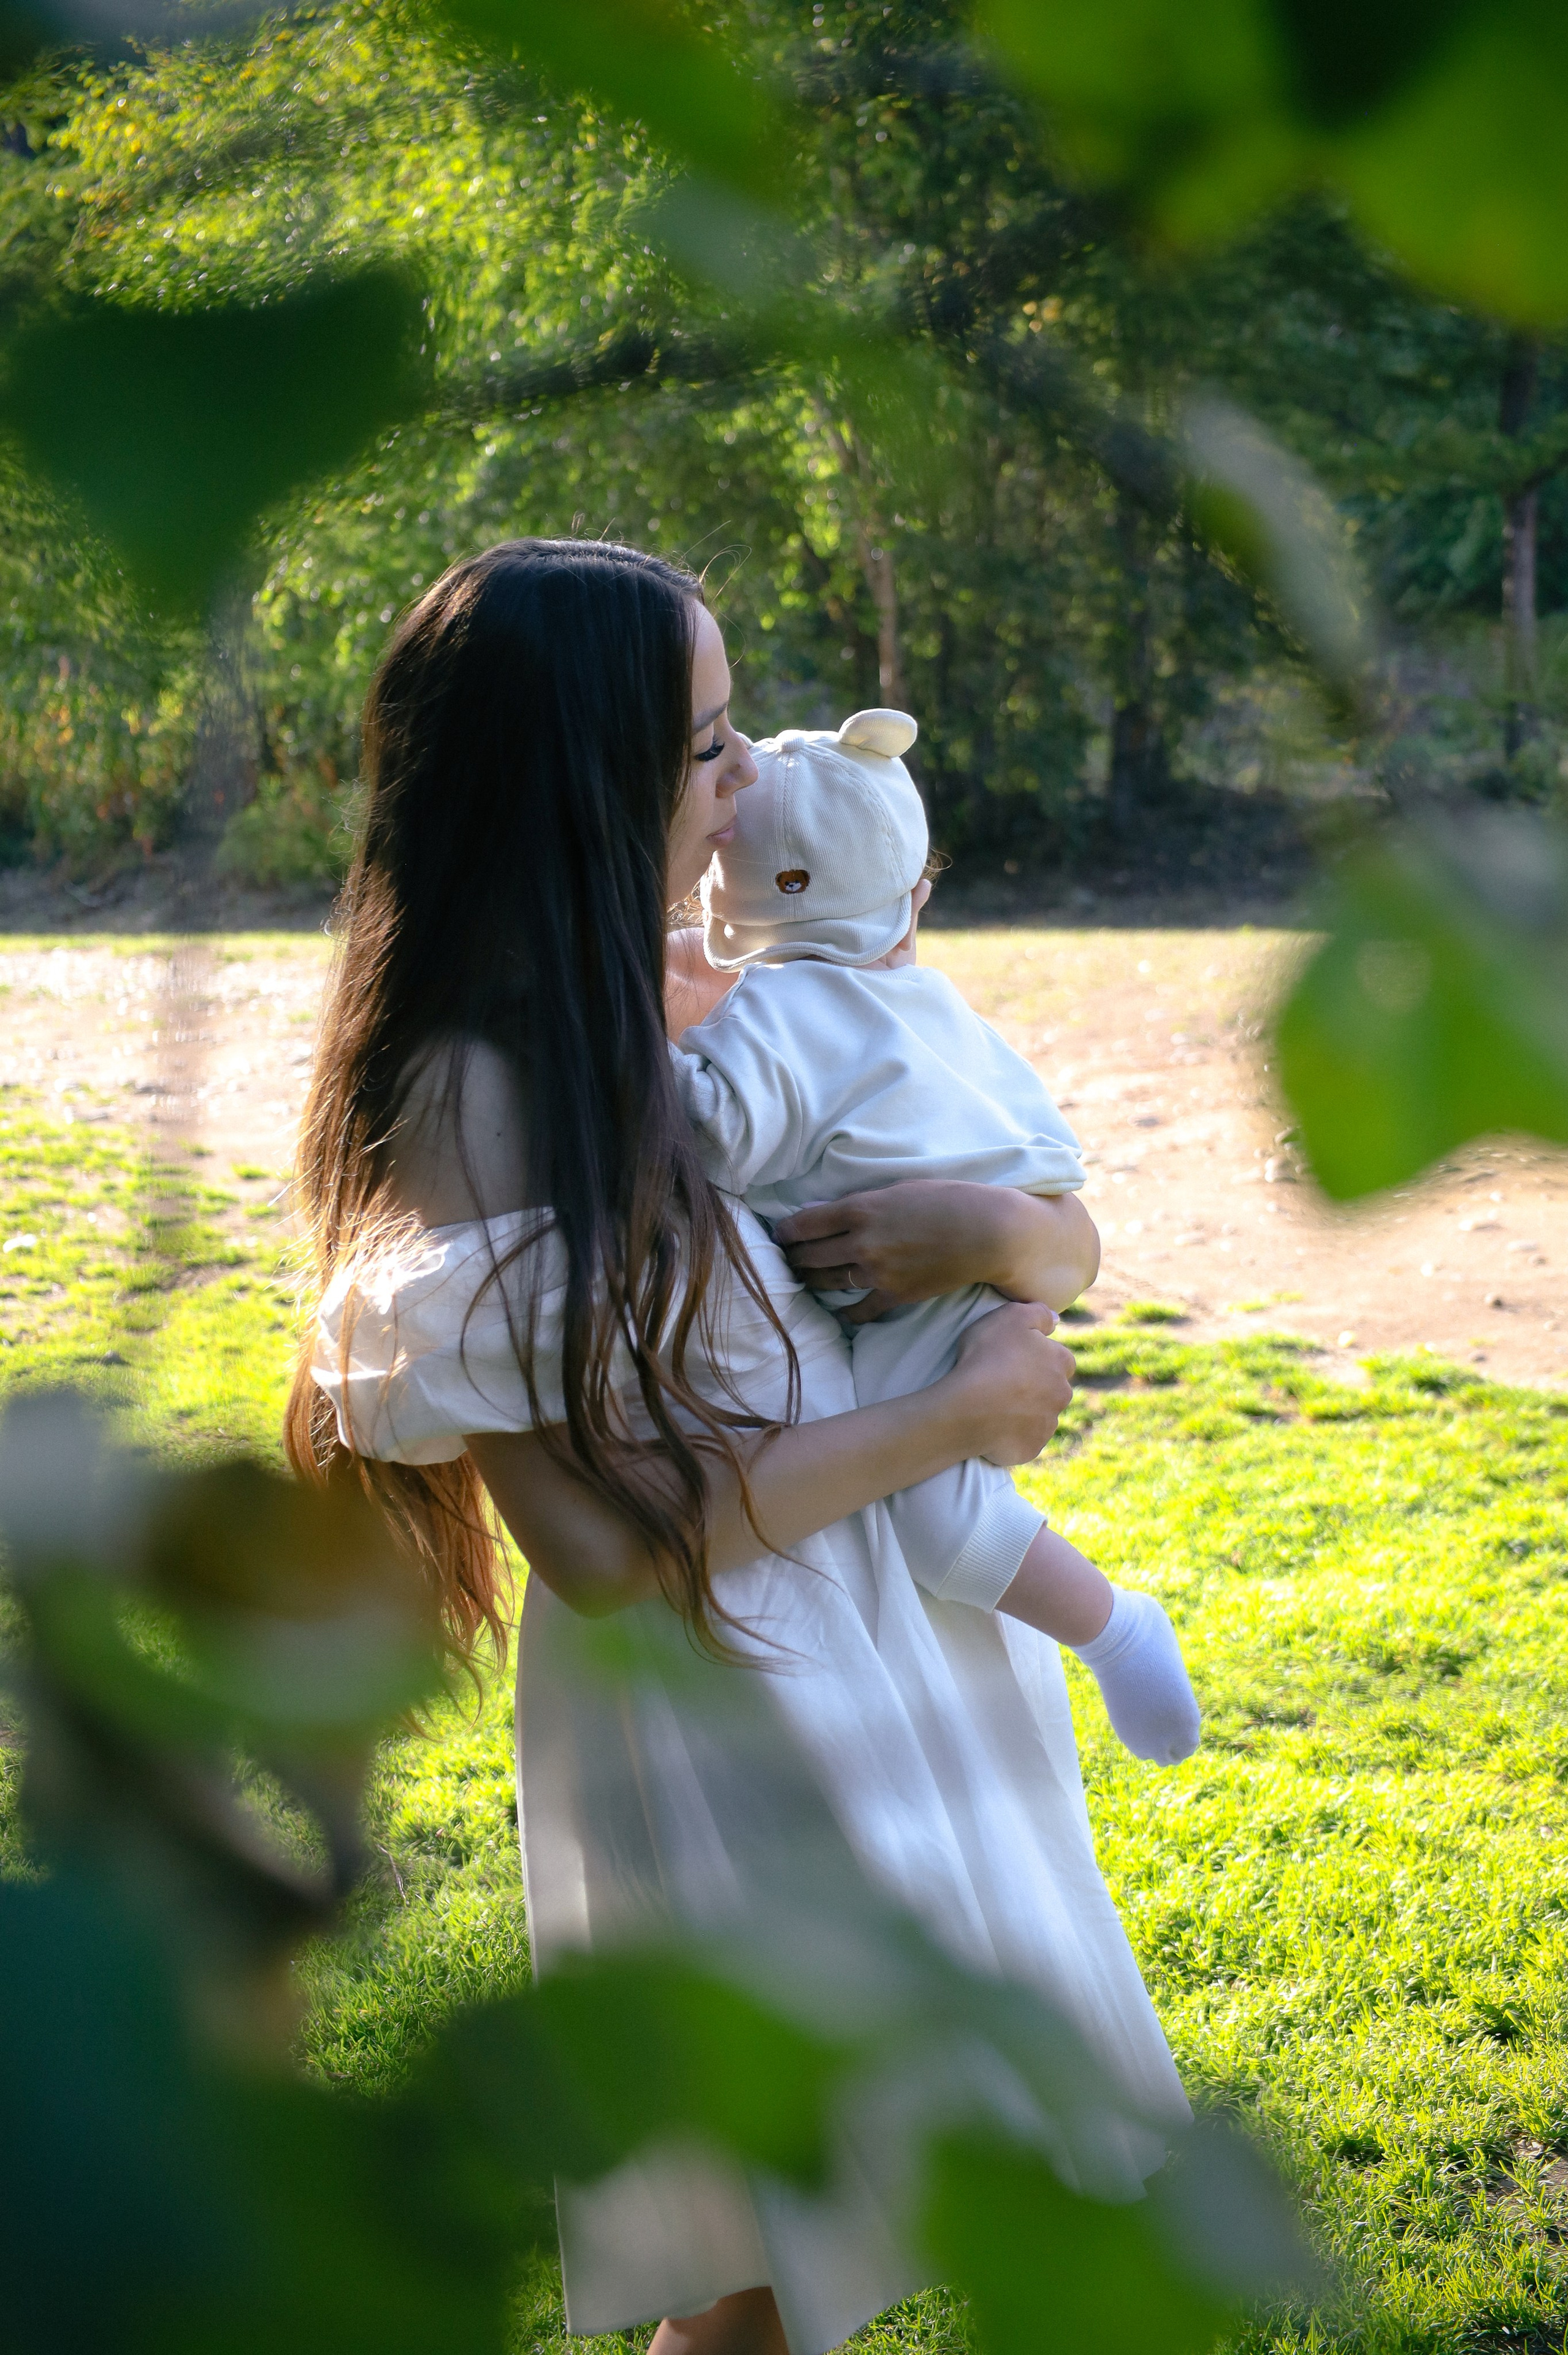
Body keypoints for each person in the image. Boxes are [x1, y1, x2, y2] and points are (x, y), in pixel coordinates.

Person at [289, 539, 1190, 2355]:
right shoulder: (477, 1094)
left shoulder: (678, 1011)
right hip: (722, 1713)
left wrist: (997, 1243)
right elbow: (610, 1553)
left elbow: (1056, 1222)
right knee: (766, 2265)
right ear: (584, 775)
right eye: (710, 748)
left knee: (833, 2231)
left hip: (868, 1654)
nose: (752, 781)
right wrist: (955, 1417)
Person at [669, 707, 1200, 1769]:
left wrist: (650, 1040)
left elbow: (701, 1131)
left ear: (729, 923)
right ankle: (1112, 1628)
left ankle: (1115, 1626)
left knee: (947, 1530)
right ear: (910, 905)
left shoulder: (780, 1012)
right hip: (999, 1269)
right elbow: (1054, 1169)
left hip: (918, 1298)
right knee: (960, 1496)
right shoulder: (931, 1003)